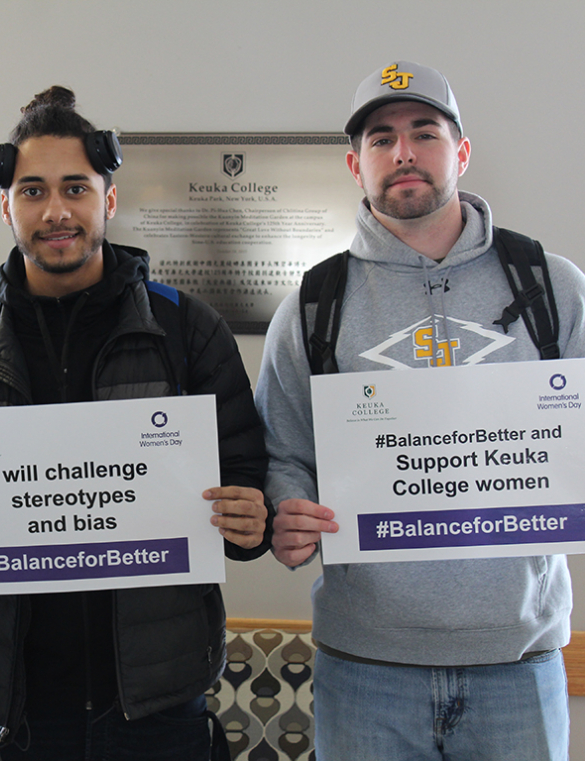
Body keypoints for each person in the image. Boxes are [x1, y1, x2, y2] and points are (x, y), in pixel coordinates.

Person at [0, 86, 271, 760]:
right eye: (32, 191)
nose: (55, 210)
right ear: (5, 205)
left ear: (108, 200)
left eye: (74, 188)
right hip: (15, 712)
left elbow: (245, 493)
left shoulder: (186, 329)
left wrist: (248, 517)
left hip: (157, 706)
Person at [256, 61, 582, 760]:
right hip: (363, 668)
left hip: (517, 664)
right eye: (380, 139)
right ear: (355, 164)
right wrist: (289, 510)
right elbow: (281, 452)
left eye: (423, 132)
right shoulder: (313, 306)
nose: (402, 152)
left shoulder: (552, 286)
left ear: (460, 152)